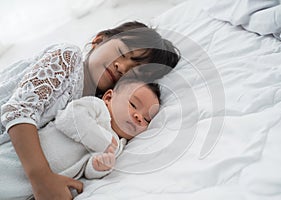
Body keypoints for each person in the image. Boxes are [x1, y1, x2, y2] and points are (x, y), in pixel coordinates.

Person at [0, 21, 180, 199]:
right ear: (98, 40)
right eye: (122, 53)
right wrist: (42, 179)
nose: (121, 67)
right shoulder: (69, 58)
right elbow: (18, 110)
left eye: (134, 73)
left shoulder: (98, 109)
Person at [0, 78, 161, 200]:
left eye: (146, 119)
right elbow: (70, 119)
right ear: (108, 97)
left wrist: (98, 167)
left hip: (31, 188)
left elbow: (86, 170)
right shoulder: (96, 108)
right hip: (19, 159)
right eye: (133, 104)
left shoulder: (118, 145)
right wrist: (103, 145)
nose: (138, 116)